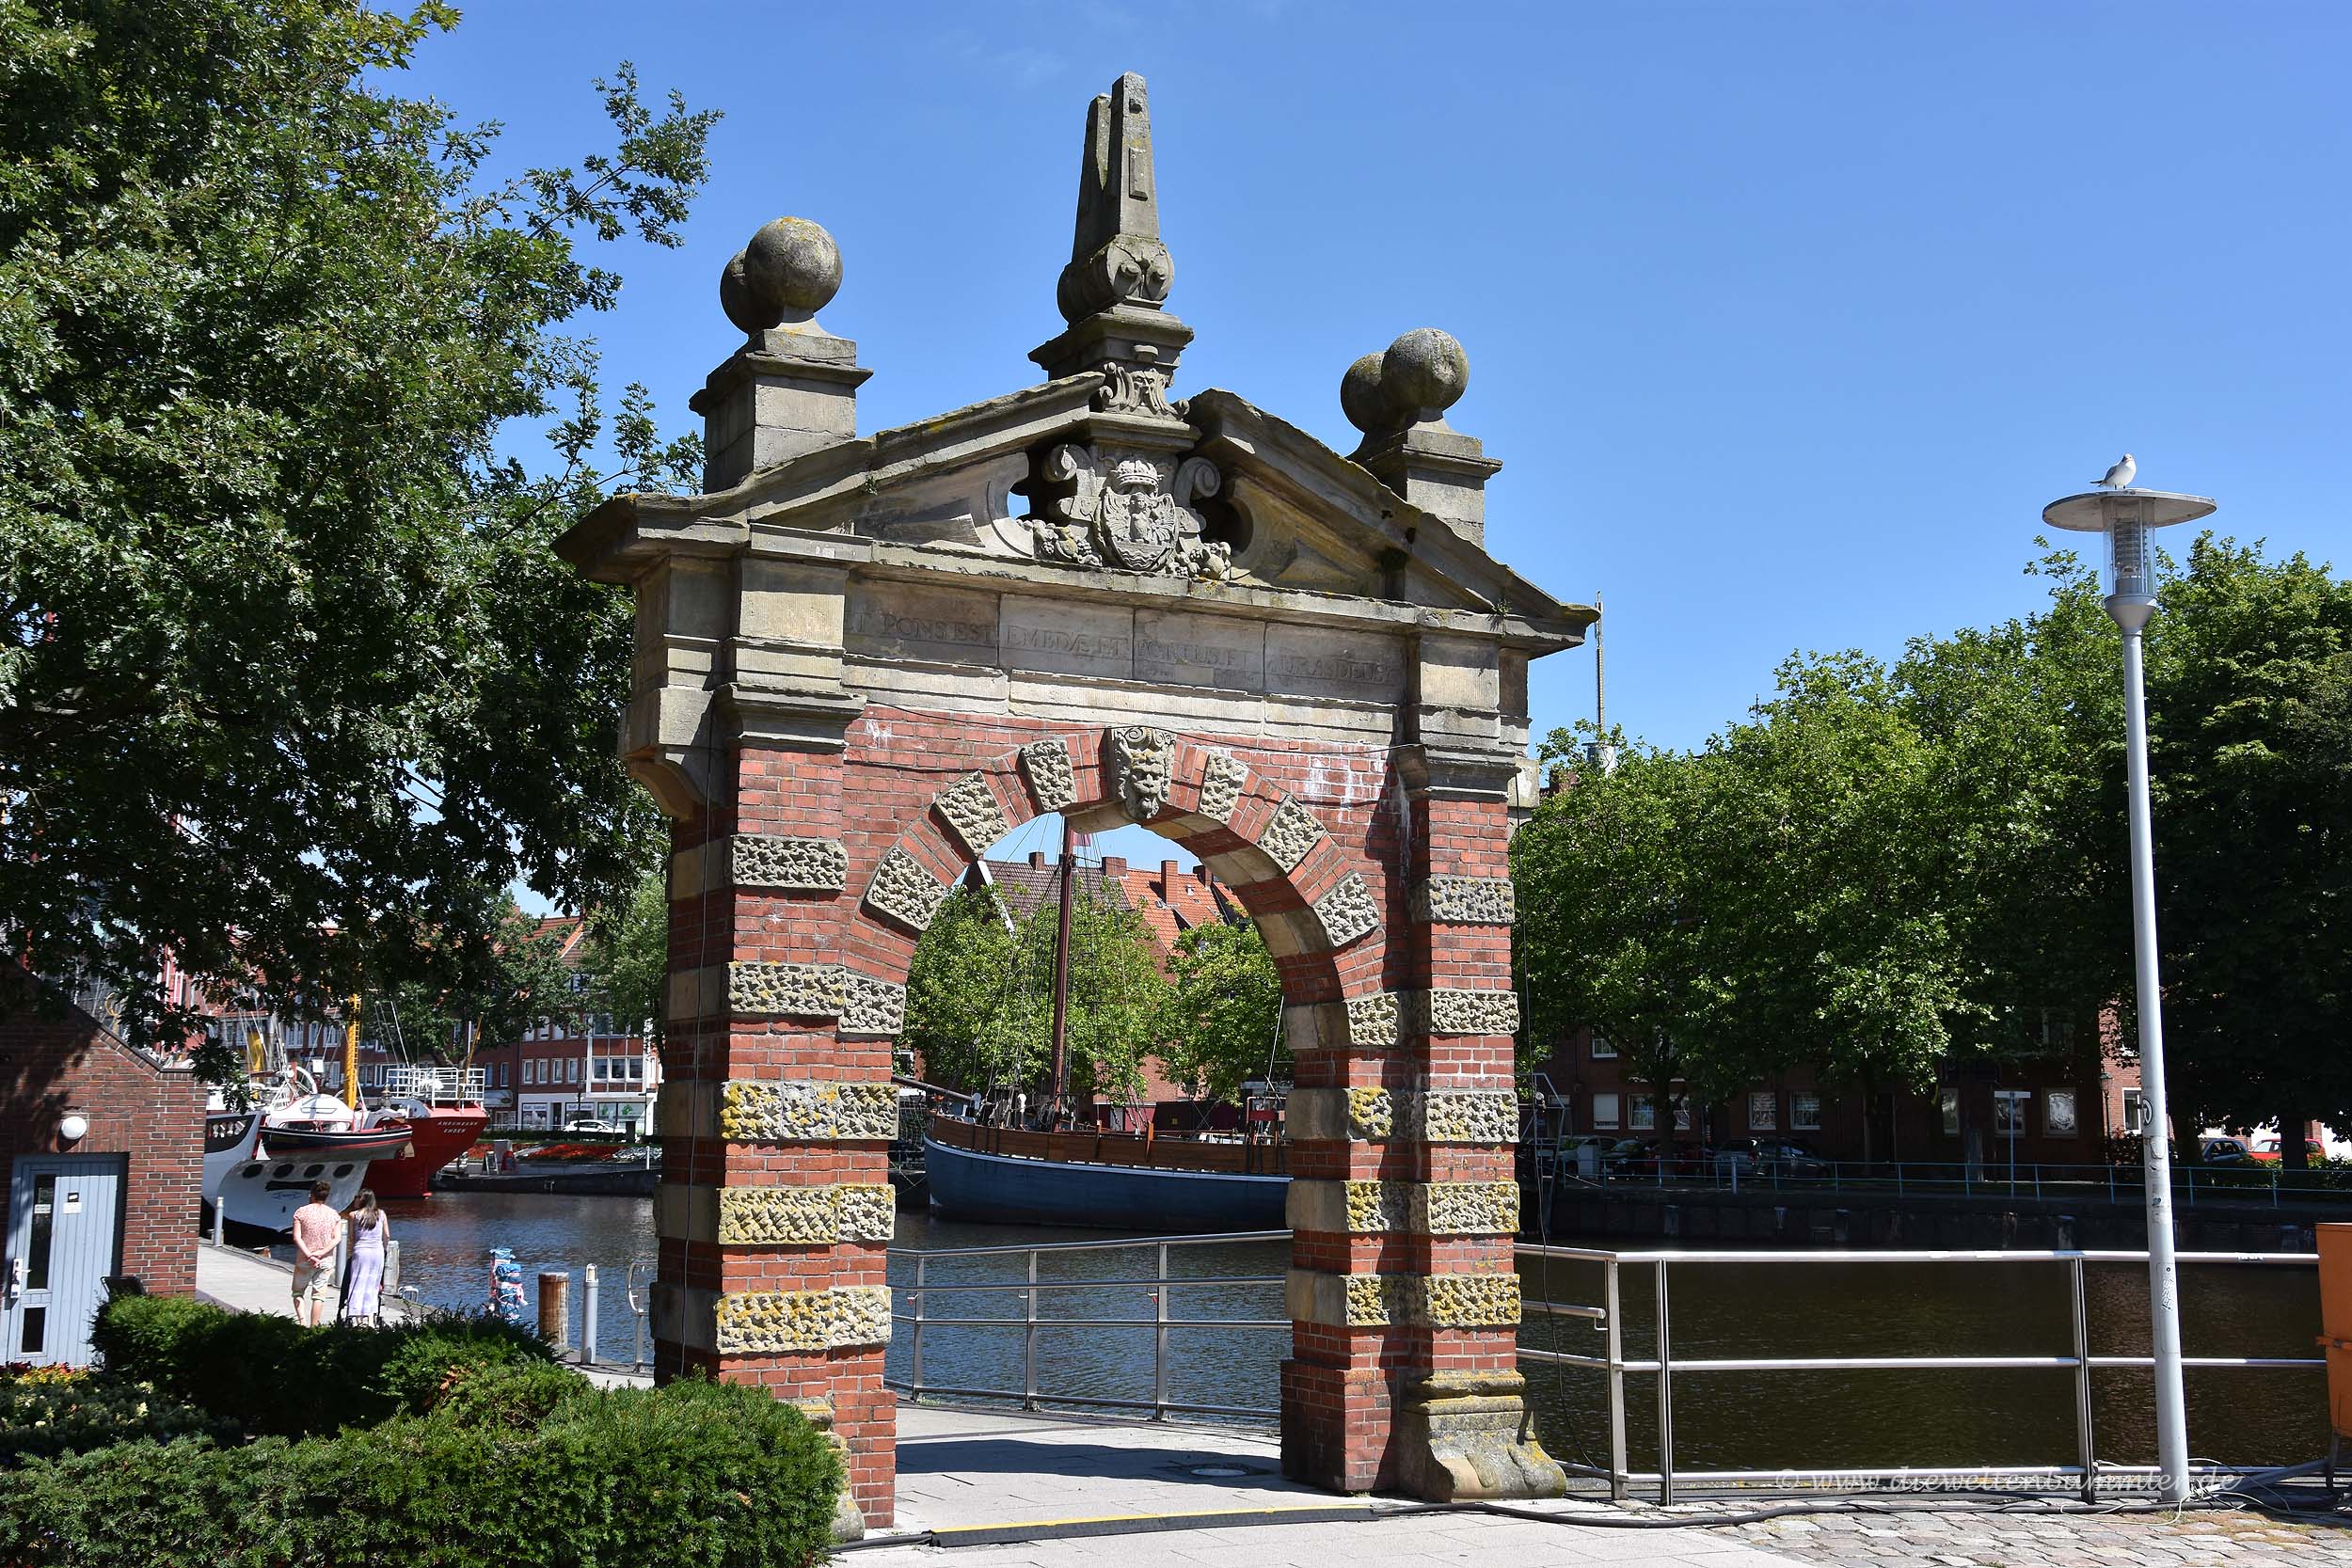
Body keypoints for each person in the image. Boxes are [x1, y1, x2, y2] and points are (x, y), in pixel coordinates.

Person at [288, 1180, 342, 1326]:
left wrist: (310, 1255)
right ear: (326, 1196)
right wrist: (321, 1253)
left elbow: (297, 1237)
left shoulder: (301, 1212)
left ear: (311, 1195)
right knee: (318, 1296)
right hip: (324, 1260)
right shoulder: (334, 1215)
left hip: (304, 1259)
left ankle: (302, 1323)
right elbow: (337, 1238)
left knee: (298, 1293)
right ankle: (314, 1327)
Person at [339, 1189, 389, 1326]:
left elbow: (352, 1237)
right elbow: (386, 1236)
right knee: (373, 1285)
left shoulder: (354, 1215)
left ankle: (358, 1319)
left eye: (357, 1197)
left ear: (363, 1199)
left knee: (358, 1283)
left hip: (361, 1251)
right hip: (378, 1252)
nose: (355, 1199)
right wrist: (383, 1250)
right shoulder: (381, 1214)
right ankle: (371, 1319)